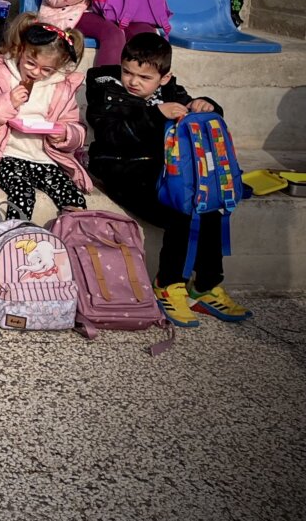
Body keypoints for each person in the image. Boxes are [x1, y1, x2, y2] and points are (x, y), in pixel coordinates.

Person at [86, 32, 249, 326]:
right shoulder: (106, 89)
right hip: (122, 171)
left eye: (144, 77)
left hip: (163, 174)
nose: (133, 82)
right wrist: (155, 115)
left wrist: (207, 104)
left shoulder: (172, 92)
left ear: (164, 78)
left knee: (209, 208)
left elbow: (197, 111)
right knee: (181, 214)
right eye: (128, 72)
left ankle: (206, 285)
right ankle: (168, 284)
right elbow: (112, 134)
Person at [0, 15, 89, 222]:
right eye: (30, 63)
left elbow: (76, 128)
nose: (36, 72)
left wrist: (66, 134)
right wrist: (7, 102)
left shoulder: (61, 88)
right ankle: (12, 236)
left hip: (44, 159)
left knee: (74, 198)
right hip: (6, 156)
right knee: (23, 195)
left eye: (46, 69)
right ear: (20, 50)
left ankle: (71, 237)